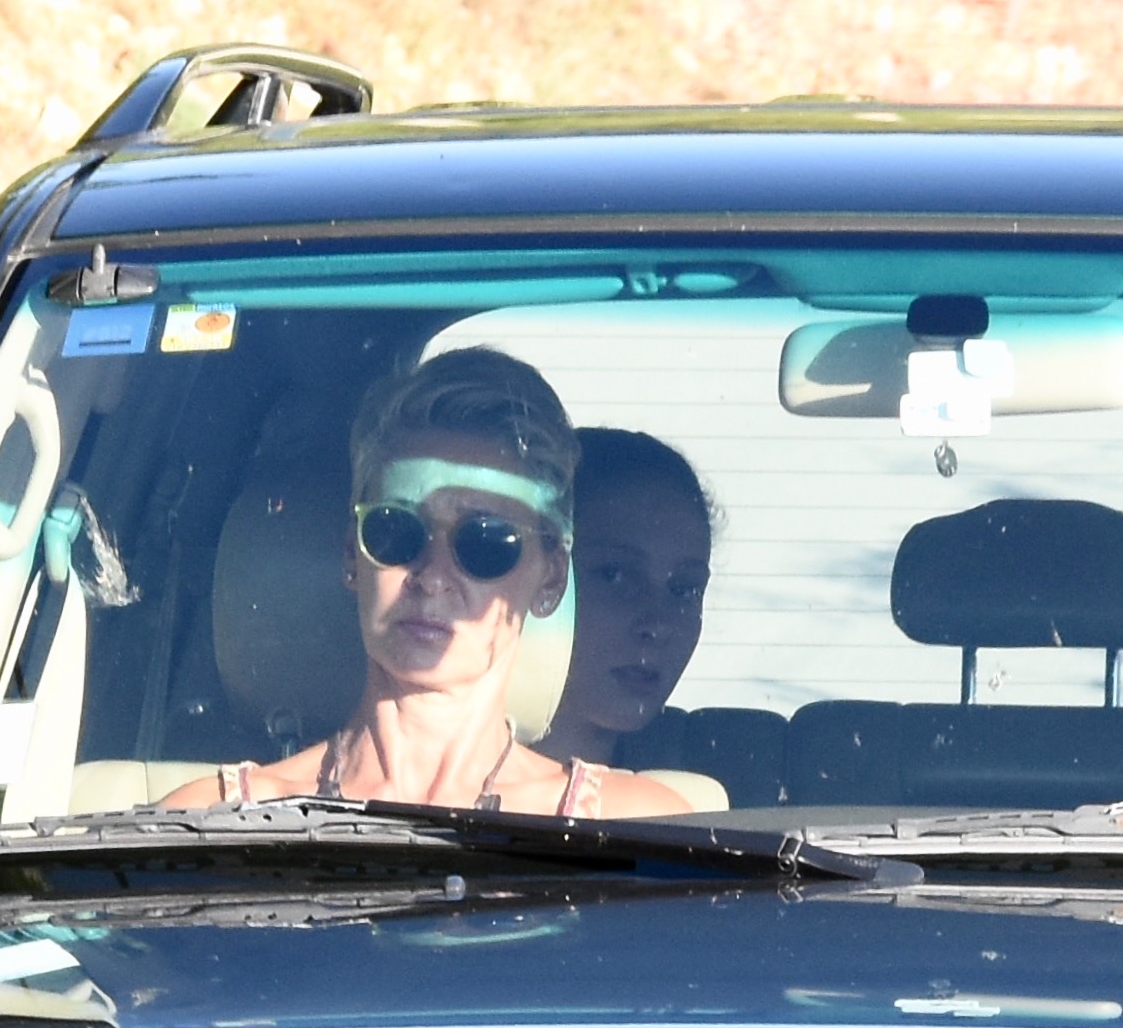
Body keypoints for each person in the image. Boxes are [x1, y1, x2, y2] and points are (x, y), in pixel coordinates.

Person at [164, 349, 691, 818]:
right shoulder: (202, 824)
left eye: (487, 543)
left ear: (550, 577)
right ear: (352, 553)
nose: (434, 577)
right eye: (396, 531)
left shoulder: (634, 829)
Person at [537, 429, 714, 767]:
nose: (658, 625)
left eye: (684, 589)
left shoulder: (703, 790)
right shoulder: (432, 781)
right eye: (614, 575)